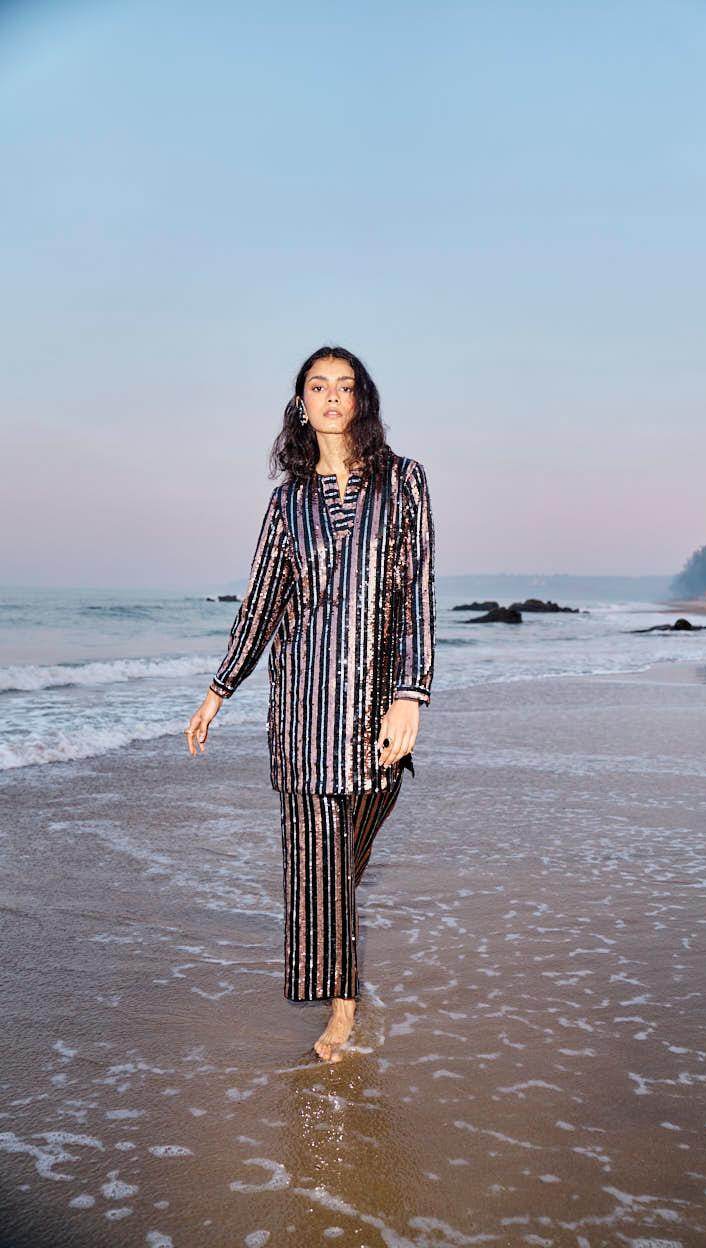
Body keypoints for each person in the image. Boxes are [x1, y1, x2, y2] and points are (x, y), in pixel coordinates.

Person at [184, 345, 436, 1062]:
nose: (331, 396)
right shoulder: (287, 501)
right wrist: (219, 690)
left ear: (361, 399)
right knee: (318, 859)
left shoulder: (404, 481)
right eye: (317, 386)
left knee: (340, 857)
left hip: (375, 704)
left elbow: (416, 593)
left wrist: (410, 694)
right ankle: (342, 1007)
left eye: (344, 386)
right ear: (301, 403)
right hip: (302, 705)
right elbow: (262, 602)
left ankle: (330, 928)